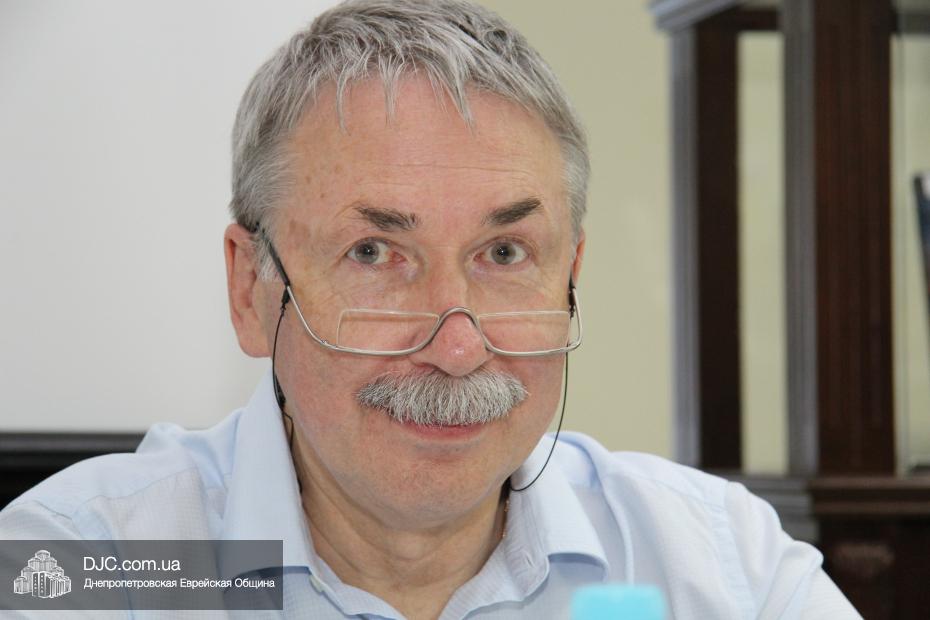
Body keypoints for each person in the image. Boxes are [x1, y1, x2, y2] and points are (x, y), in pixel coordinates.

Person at [0, 1, 860, 618]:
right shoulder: (84, 562)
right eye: (375, 254)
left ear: (570, 277)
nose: (457, 347)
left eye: (504, 255)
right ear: (251, 291)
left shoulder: (724, 569)